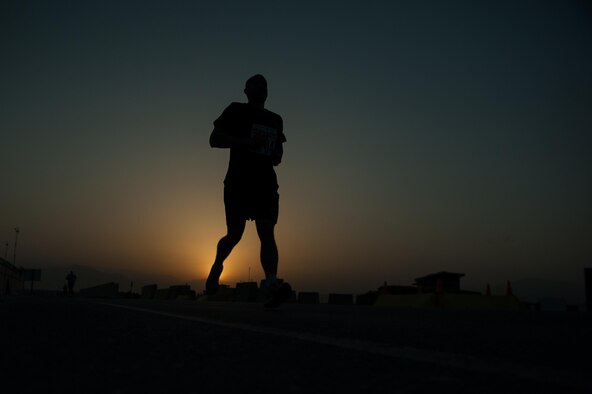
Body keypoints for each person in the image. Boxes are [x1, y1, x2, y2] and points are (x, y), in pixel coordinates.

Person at [206, 74, 291, 308]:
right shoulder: (235, 110)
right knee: (235, 235)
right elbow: (214, 139)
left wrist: (275, 156)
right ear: (246, 90)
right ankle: (217, 264)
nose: (261, 87)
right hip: (238, 181)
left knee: (266, 231)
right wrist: (244, 142)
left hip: (265, 183)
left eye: (265, 84)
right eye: (256, 83)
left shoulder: (275, 119)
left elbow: (279, 155)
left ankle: (272, 284)